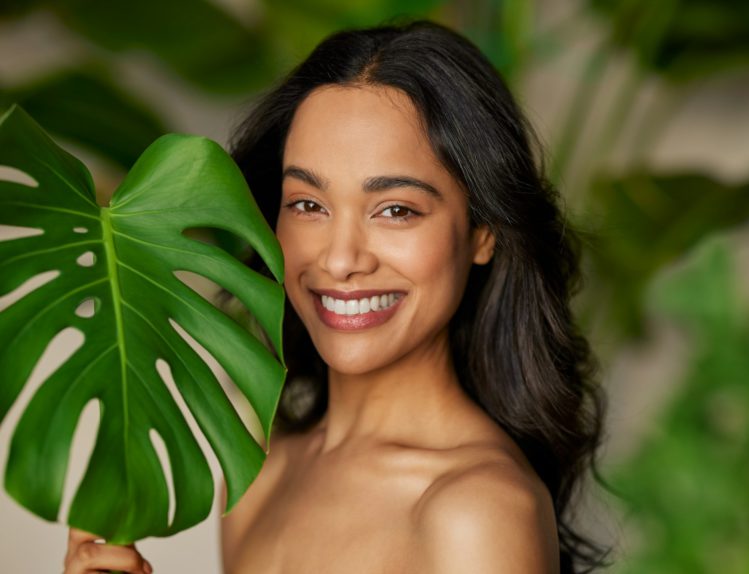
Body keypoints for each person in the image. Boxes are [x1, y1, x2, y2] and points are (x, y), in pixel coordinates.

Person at [63, 20, 606, 574]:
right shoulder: (262, 473)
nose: (340, 259)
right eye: (308, 205)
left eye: (396, 209)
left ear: (483, 231)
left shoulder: (476, 512)